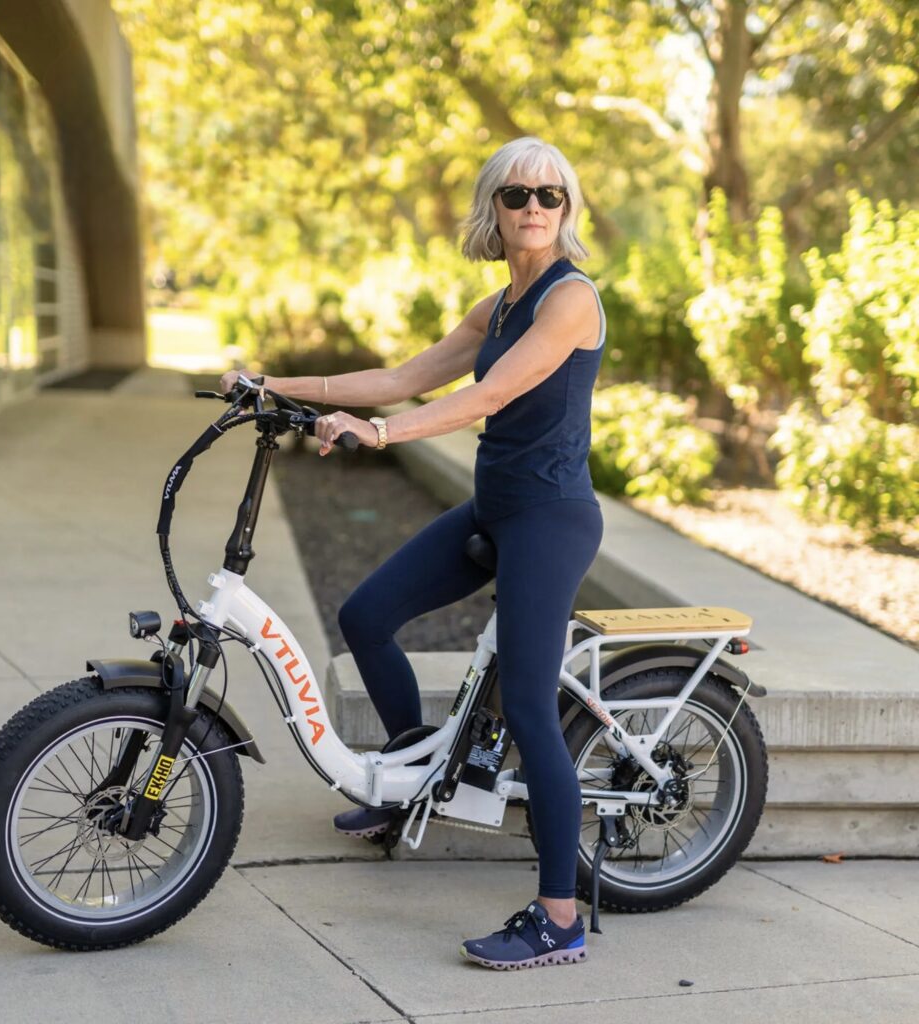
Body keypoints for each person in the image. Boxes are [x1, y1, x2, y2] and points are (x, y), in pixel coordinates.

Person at [221, 136, 606, 970]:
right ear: (493, 211)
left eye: (550, 194)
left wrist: (382, 435)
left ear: (566, 209)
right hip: (498, 510)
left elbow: (491, 395)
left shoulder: (571, 300)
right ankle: (409, 782)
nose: (534, 206)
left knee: (533, 708)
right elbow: (402, 375)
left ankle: (560, 917)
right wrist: (276, 387)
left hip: (551, 520)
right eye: (516, 195)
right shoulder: (499, 305)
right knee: (366, 615)